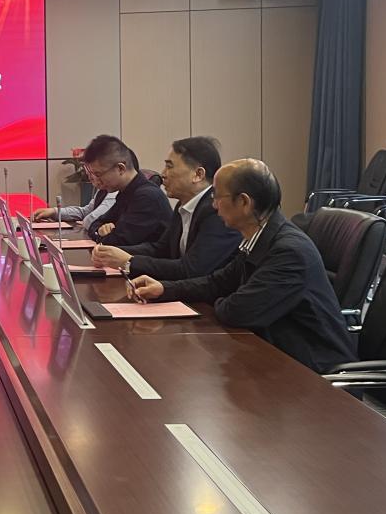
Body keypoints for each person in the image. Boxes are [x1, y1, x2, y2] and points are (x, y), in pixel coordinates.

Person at [130, 159, 356, 373]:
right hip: (275, 353)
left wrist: (221, 300)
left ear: (244, 202)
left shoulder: (288, 252)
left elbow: (238, 312)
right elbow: (218, 282)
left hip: (312, 370)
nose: (214, 205)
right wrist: (164, 289)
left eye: (217, 197)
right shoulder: (260, 237)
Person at [92, 137, 241, 280]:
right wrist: (111, 253)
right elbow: (160, 249)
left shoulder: (217, 211)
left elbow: (192, 270)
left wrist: (130, 261)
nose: (163, 174)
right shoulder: (183, 205)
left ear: (198, 174)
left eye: (169, 166)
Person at [80, 135, 172, 245]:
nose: (96, 180)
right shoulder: (125, 192)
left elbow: (117, 241)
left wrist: (101, 234)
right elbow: (96, 223)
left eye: (98, 174)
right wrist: (99, 230)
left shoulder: (147, 197)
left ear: (120, 168)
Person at [31, 171, 117, 231]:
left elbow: (91, 219)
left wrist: (84, 222)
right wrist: (54, 212)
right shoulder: (103, 189)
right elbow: (85, 212)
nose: (90, 177)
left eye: (94, 172)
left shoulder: (114, 192)